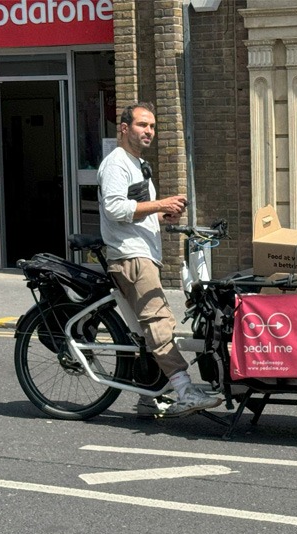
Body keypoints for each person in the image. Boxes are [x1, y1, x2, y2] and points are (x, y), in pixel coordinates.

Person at [97, 101, 221, 418]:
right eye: (142, 125)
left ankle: (149, 395)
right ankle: (183, 390)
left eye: (152, 126)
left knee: (145, 331)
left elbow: (134, 211)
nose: (149, 131)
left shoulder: (138, 165)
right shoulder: (117, 164)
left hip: (143, 253)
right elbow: (114, 209)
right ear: (124, 128)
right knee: (159, 321)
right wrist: (159, 203)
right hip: (131, 256)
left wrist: (160, 215)